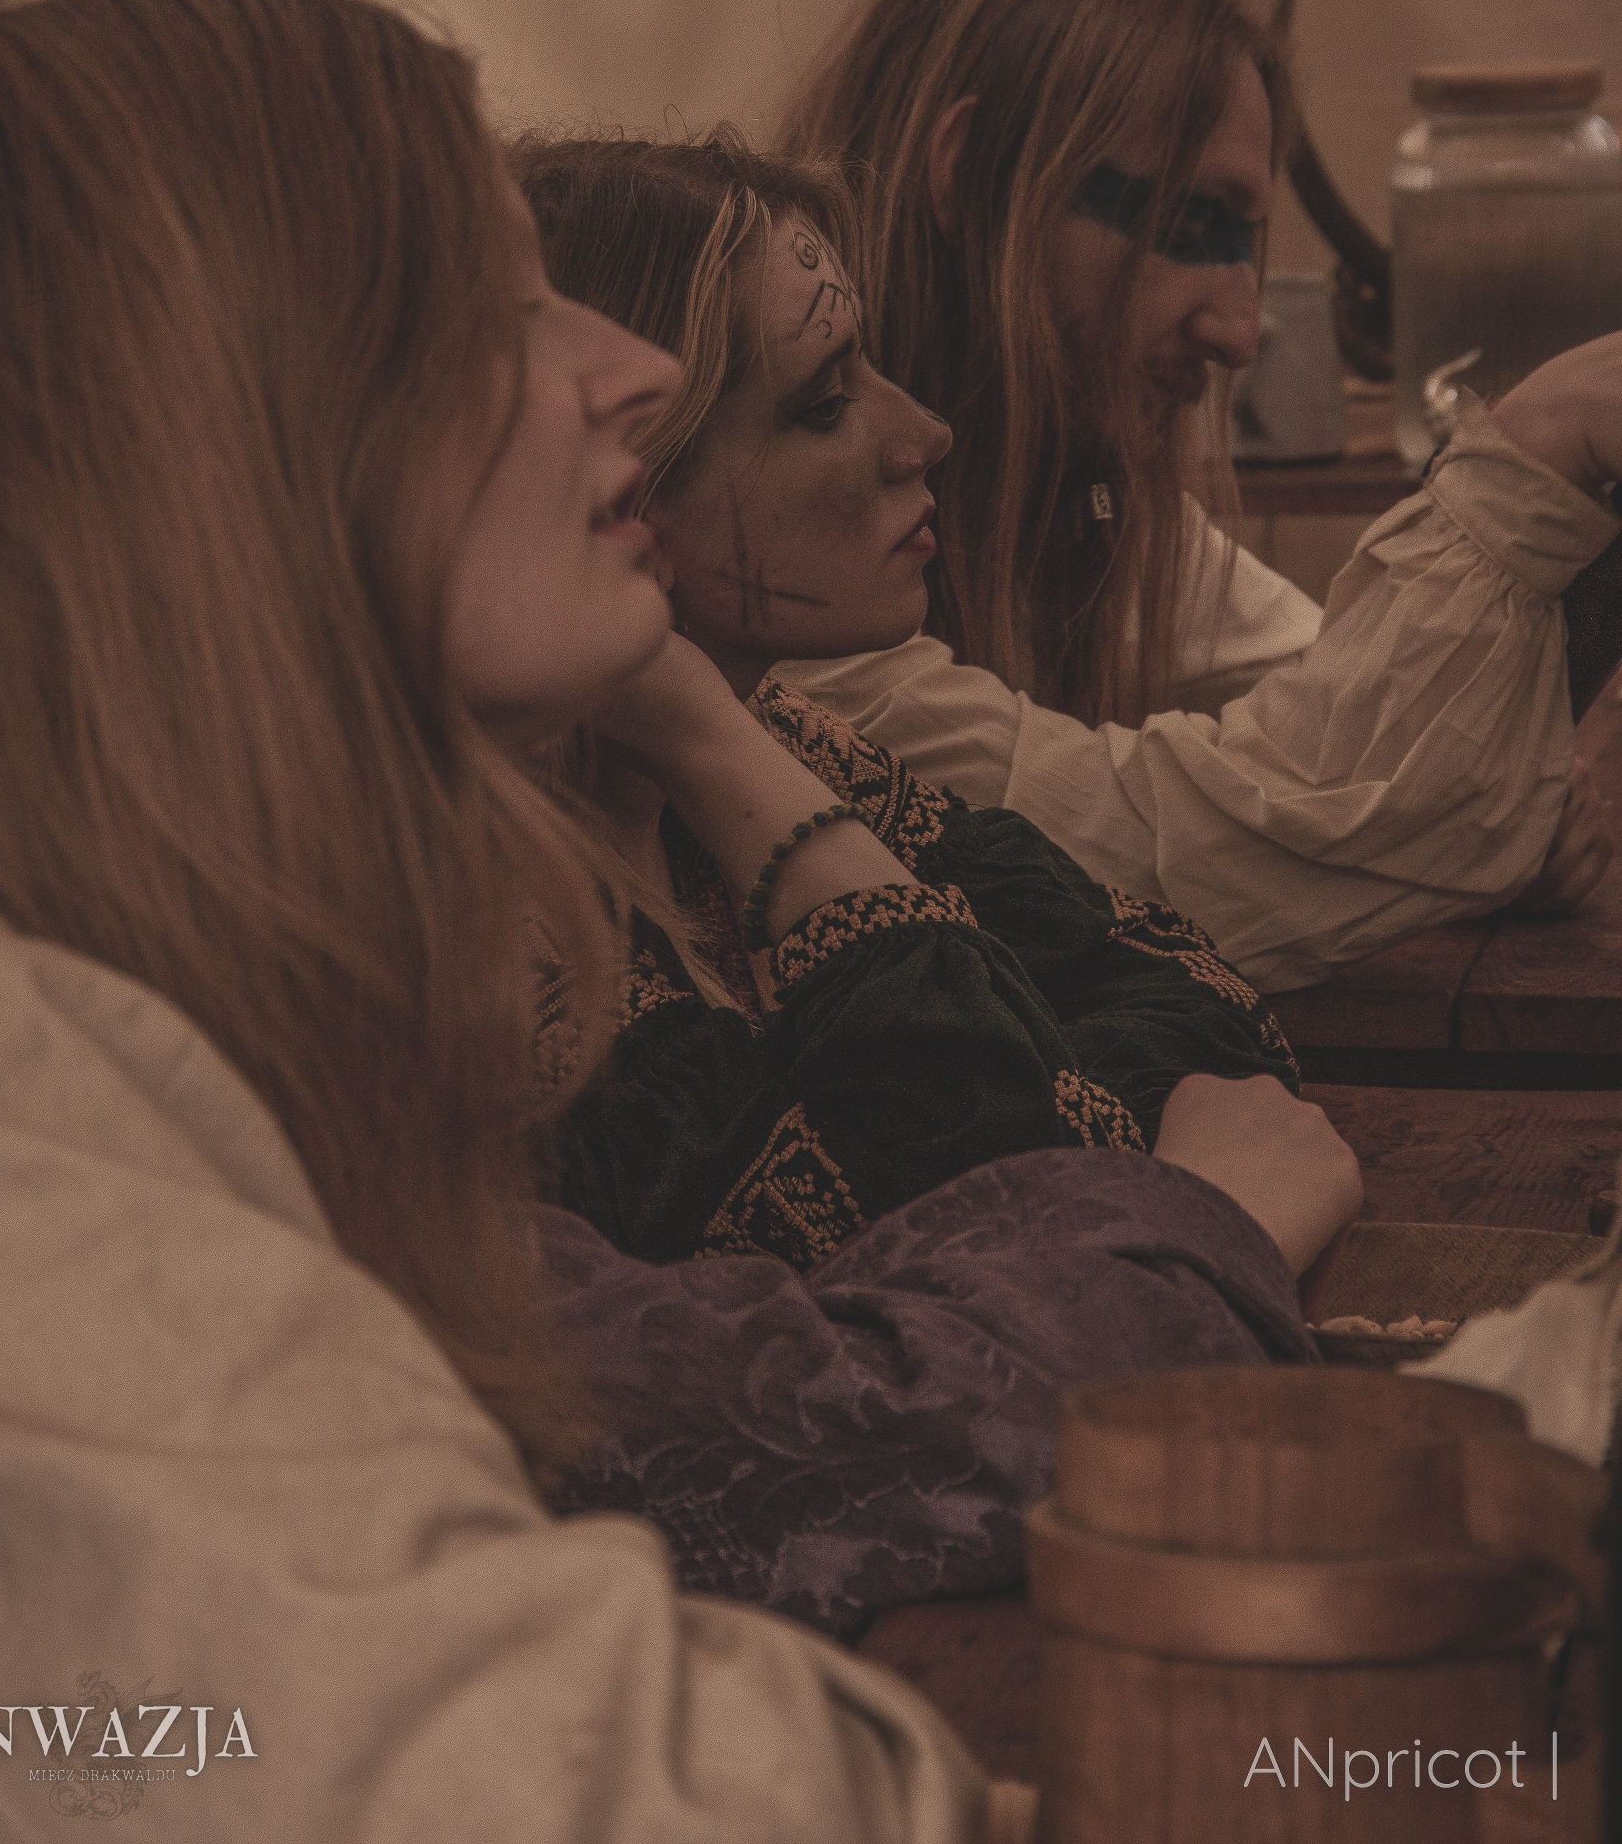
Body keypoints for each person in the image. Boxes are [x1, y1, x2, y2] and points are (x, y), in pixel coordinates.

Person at [0, 0, 1345, 1843]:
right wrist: (1180, 1219)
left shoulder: (216, 969)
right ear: (201, 445)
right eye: (486, 312)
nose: (635, 377)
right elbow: (598, 1744)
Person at [514, 131, 1359, 1279]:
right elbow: (977, 1229)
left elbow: (1198, 1001)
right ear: (622, 484)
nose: (922, 433)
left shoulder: (791, 740)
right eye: (824, 402)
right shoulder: (507, 936)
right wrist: (1188, 1197)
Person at [773, 0, 1621, 988]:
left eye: (1242, 241)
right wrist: (1533, 455)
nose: (1236, 332)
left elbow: (1356, 734)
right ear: (973, 169)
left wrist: (1478, 802)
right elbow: (1131, 854)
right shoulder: (770, 533)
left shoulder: (1084, 500)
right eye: (1188, 223)